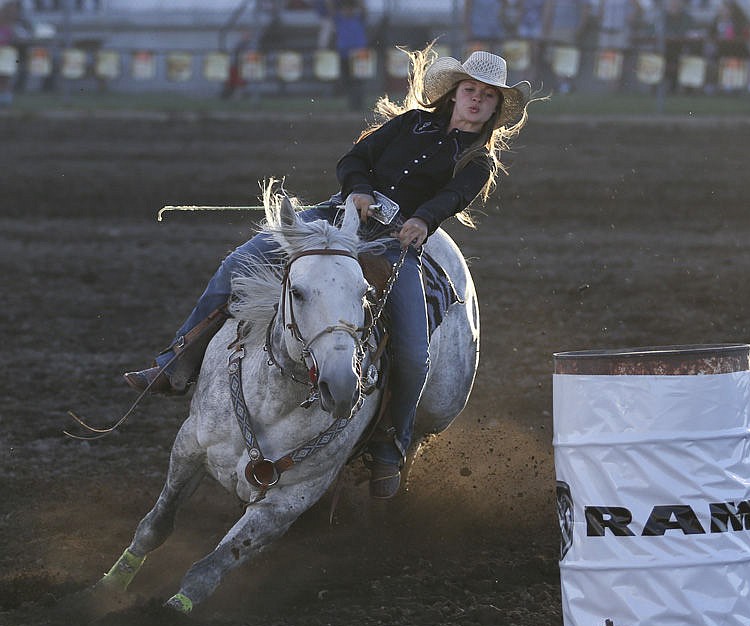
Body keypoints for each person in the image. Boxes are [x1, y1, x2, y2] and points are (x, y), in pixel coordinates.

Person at [123, 47, 534, 498]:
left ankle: (390, 444)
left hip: (394, 247)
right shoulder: (408, 123)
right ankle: (175, 362)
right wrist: (358, 190)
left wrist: (422, 221)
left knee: (416, 353)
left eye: (487, 96)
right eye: (469, 90)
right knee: (238, 263)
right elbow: (353, 160)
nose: (475, 100)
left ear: (495, 107)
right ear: (454, 94)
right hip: (334, 219)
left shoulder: (479, 161)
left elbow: (453, 197)